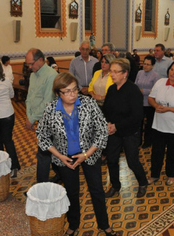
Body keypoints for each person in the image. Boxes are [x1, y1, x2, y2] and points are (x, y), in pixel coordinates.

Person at [36, 73, 116, 236]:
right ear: (58, 93)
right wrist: (59, 156)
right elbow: (41, 135)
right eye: (67, 91)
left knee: (97, 191)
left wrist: (86, 155)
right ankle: (73, 224)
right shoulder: (51, 109)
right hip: (65, 158)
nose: (73, 94)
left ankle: (104, 224)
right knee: (71, 192)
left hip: (90, 154)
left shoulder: (89, 103)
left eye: (75, 89)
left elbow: (102, 131)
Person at [103, 58, 148, 198]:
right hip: (113, 132)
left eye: (116, 72)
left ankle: (142, 182)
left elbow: (136, 116)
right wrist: (108, 124)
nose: (112, 74)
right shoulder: (111, 89)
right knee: (111, 159)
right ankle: (116, 186)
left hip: (129, 132)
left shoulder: (133, 91)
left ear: (125, 73)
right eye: (111, 71)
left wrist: (116, 126)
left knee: (132, 161)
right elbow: (105, 110)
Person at [25, 48, 59, 183]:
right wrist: (29, 117)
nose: (29, 67)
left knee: (43, 154)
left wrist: (31, 118)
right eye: (27, 64)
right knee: (52, 150)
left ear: (40, 60)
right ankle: (60, 173)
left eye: (31, 63)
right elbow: (29, 98)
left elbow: (47, 102)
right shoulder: (33, 75)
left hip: (50, 120)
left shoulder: (51, 75)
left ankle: (41, 186)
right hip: (38, 119)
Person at [135, 56, 160, 149]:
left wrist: (143, 91)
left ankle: (148, 141)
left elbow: (156, 90)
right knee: (139, 123)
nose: (145, 66)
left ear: (153, 65)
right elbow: (135, 85)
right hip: (139, 102)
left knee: (149, 124)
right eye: (144, 64)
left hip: (149, 103)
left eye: (148, 64)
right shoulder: (139, 73)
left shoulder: (155, 75)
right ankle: (138, 141)